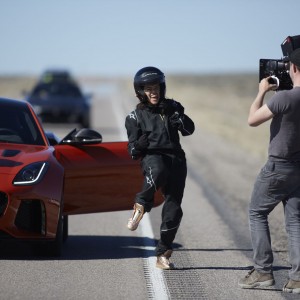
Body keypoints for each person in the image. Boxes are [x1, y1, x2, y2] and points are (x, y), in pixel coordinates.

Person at [238, 48, 300, 294]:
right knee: (295, 222)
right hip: (299, 168)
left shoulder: (283, 99)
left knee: (257, 213)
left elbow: (252, 119)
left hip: (278, 166)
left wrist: (262, 91)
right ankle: (297, 278)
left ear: (293, 68)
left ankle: (263, 272)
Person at [125, 66, 195, 269]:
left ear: (162, 88)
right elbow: (132, 152)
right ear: (140, 92)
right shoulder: (134, 117)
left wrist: (181, 120)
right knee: (159, 170)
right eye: (148, 88)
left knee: (174, 209)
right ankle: (141, 203)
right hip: (153, 157)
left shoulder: (173, 106)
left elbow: (190, 130)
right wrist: (139, 145)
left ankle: (162, 254)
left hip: (177, 159)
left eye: (156, 87)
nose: (153, 92)